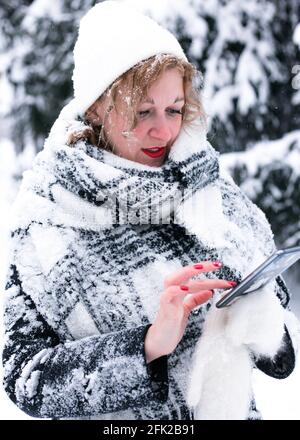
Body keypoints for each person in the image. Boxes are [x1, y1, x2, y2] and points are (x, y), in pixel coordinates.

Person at [2, 1, 299, 420]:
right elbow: (25, 376)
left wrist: (259, 316)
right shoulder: (44, 221)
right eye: (143, 112)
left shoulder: (207, 183)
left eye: (174, 110)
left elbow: (278, 345)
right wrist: (147, 346)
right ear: (97, 109)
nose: (163, 130)